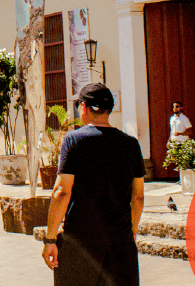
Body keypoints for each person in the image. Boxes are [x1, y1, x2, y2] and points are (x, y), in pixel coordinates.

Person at [42, 83, 146, 286]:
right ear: (110, 110)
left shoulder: (74, 140)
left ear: (84, 107)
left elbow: (62, 192)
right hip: (120, 242)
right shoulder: (131, 144)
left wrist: (50, 239)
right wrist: (131, 231)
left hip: (81, 242)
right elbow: (138, 196)